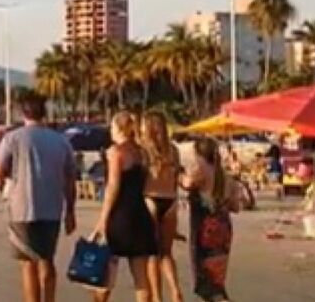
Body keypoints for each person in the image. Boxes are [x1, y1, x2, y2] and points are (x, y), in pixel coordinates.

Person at [0, 92, 77, 302]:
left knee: (28, 263)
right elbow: (70, 179)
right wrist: (71, 211)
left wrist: (3, 187)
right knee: (47, 260)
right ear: (44, 112)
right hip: (51, 208)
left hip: (21, 208)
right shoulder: (60, 141)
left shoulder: (12, 138)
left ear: (23, 112)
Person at [91, 112, 157, 302]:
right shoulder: (141, 152)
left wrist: (102, 221)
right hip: (139, 214)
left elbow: (113, 186)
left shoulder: (116, 152)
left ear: (119, 128)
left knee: (105, 274)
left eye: (112, 126)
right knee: (141, 279)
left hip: (120, 217)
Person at [182, 138, 244, 302]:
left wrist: (177, 174)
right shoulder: (227, 178)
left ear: (199, 155)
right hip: (223, 229)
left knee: (206, 282)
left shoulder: (199, 175)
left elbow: (186, 183)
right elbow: (236, 207)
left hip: (204, 230)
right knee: (216, 280)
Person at [142, 111, 184, 302]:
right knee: (166, 253)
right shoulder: (173, 150)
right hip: (171, 201)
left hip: (150, 199)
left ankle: (157, 298)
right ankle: (175, 291)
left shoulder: (143, 149)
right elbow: (176, 179)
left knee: (151, 254)